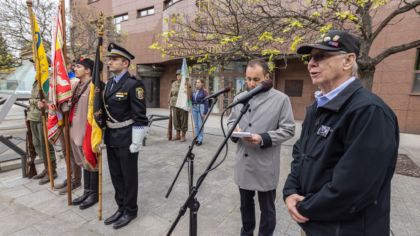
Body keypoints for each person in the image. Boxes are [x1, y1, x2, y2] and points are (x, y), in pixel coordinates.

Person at [282, 30, 399, 236]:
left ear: (348, 61)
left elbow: (354, 187)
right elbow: (301, 154)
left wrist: (303, 207)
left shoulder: (369, 112)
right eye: (309, 58)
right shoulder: (318, 106)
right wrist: (290, 192)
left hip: (345, 229)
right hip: (314, 222)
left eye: (320, 56)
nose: (311, 63)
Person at [227, 59, 295, 236]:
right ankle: (246, 232)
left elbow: (289, 129)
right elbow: (231, 121)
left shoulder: (281, 99)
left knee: (268, 209)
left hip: (265, 164)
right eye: (248, 79)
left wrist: (264, 137)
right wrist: (234, 130)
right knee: (245, 205)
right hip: (244, 162)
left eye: (256, 79)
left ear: (267, 76)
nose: (250, 83)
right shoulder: (239, 98)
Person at [103, 43, 148, 229]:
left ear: (125, 63)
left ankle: (130, 209)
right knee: (116, 175)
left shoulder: (133, 84)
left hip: (127, 137)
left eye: (114, 59)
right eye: (110, 59)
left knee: (128, 176)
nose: (110, 62)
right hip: (112, 136)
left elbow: (140, 115)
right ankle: (120, 207)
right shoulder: (109, 84)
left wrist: (137, 141)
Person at [28, 61, 58, 185]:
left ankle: (52, 170)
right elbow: (33, 99)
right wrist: (34, 102)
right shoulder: (36, 80)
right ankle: (46, 168)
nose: (35, 65)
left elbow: (50, 100)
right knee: (37, 144)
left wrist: (36, 102)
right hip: (33, 116)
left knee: (46, 145)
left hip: (43, 117)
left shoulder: (48, 80)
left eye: (37, 63)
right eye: (34, 64)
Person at [168, 69, 190, 142]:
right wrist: (169, 101)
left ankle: (183, 135)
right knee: (176, 120)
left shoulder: (186, 83)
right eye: (177, 75)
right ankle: (178, 134)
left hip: (182, 103)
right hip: (174, 103)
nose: (178, 76)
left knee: (183, 119)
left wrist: (189, 103)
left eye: (179, 75)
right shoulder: (174, 83)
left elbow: (189, 94)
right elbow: (171, 92)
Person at [191, 79, 209, 146]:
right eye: (196, 82)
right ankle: (196, 138)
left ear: (202, 84)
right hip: (194, 108)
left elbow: (206, 102)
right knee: (196, 125)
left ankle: (200, 140)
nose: (197, 83)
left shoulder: (204, 92)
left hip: (201, 107)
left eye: (198, 82)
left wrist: (205, 112)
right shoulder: (194, 91)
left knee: (200, 124)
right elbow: (191, 100)